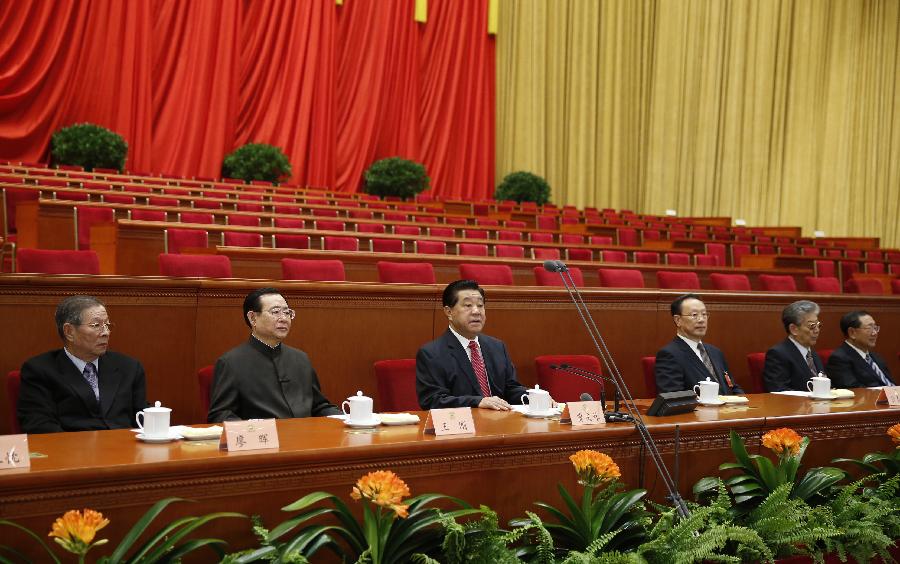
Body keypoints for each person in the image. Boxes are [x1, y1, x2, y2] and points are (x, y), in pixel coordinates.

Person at [17, 295, 147, 433]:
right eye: (96, 325)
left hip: (125, 449)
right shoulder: (40, 370)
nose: (106, 332)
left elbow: (143, 417)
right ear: (69, 332)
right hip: (71, 451)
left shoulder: (129, 367)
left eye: (107, 325)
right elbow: (39, 425)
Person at [207, 287, 340, 422]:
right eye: (275, 312)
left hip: (303, 439)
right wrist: (252, 429)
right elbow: (220, 415)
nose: (283, 318)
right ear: (253, 318)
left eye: (287, 312)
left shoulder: (300, 359)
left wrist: (347, 418)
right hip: (263, 440)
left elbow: (318, 406)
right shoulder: (231, 363)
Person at [416, 280, 531, 410]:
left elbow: (510, 388)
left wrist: (534, 397)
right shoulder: (431, 354)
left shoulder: (497, 347)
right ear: (449, 312)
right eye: (468, 305)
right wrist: (478, 402)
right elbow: (433, 400)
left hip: (501, 424)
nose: (476, 311)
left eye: (480, 305)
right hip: (462, 427)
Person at [654, 293, 743, 396]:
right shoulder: (669, 355)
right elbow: (675, 398)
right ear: (678, 320)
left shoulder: (715, 352)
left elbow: (732, 387)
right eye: (694, 315)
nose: (701, 320)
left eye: (704, 314)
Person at [762, 300, 825, 392]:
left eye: (818, 325)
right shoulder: (778, 354)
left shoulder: (812, 354)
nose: (817, 330)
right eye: (812, 326)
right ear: (794, 329)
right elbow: (778, 391)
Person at [826, 311, 894, 388]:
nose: (874, 333)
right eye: (869, 328)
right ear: (852, 333)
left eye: (875, 328)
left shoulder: (876, 357)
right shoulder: (839, 359)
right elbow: (854, 390)